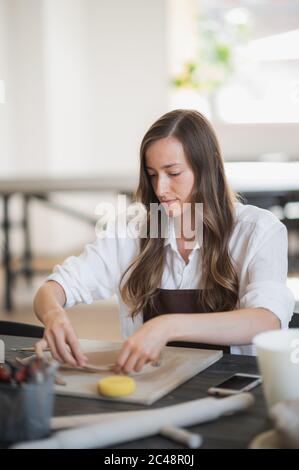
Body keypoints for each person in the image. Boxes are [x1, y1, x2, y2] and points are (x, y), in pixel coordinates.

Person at [34, 109, 295, 374]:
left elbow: (266, 320)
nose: (160, 189)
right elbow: (52, 289)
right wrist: (54, 315)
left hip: (233, 386)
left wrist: (166, 326)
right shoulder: (134, 230)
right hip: (152, 385)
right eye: (152, 174)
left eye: (173, 173)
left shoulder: (257, 231)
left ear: (208, 168)